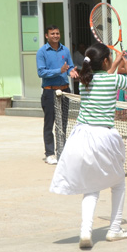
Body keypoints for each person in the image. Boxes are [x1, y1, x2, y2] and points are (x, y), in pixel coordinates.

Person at [50, 44, 127, 249]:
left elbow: (103, 77)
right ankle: (115, 229)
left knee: (91, 188)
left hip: (82, 136)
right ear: (106, 61)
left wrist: (115, 62)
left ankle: (85, 231)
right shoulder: (113, 79)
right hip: (105, 137)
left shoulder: (85, 80)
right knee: (118, 183)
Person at [37, 24, 76, 164]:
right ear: (47, 36)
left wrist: (71, 71)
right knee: (49, 123)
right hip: (50, 91)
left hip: (65, 91)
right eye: (52, 33)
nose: (55, 36)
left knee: (63, 122)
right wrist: (59, 70)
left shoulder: (65, 49)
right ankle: (49, 153)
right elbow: (41, 72)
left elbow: (70, 66)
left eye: (57, 33)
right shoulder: (42, 52)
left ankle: (62, 150)